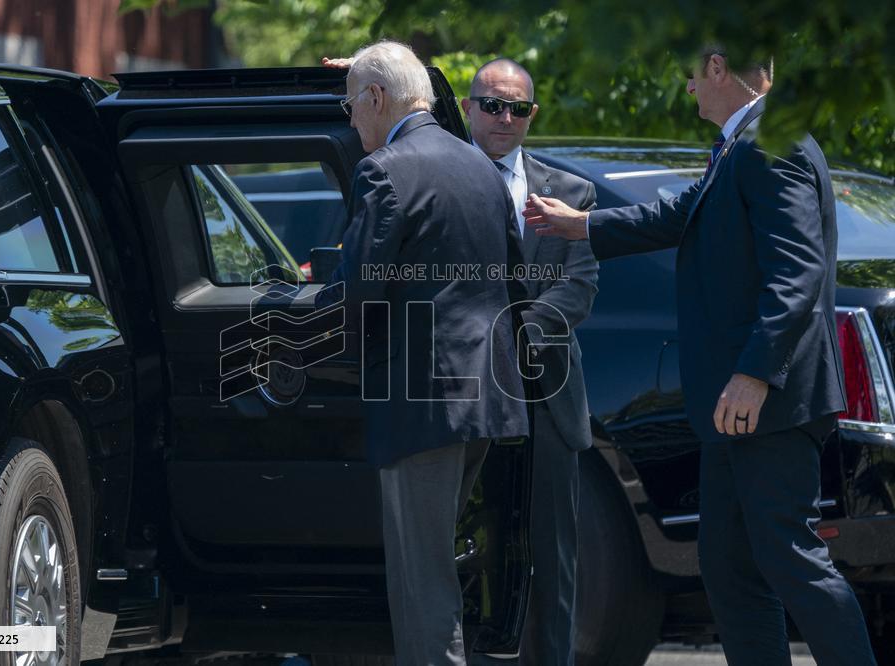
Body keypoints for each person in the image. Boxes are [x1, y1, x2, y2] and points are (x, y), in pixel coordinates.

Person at [522, 47, 877, 666]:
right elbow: (686, 213)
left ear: (718, 67)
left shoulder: (775, 144)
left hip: (766, 403)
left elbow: (795, 275)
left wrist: (753, 373)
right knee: (730, 567)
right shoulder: (746, 143)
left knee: (791, 560)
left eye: (691, 75)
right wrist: (585, 226)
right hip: (730, 407)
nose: (688, 89)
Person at [321, 41, 529, 665]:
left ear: (377, 98)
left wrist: (295, 315)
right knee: (436, 566)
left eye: (350, 105)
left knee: (422, 584)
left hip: (421, 407)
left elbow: (361, 292)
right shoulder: (481, 168)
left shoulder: (385, 169)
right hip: (485, 400)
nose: (351, 120)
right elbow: (516, 281)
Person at [462, 58, 598, 666]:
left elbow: (580, 286)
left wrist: (515, 335)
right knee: (470, 548)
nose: (504, 118)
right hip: (464, 396)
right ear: (468, 108)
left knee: (553, 556)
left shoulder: (571, 193)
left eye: (517, 107)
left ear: (532, 114)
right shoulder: (441, 181)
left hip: (548, 392)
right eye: (492, 105)